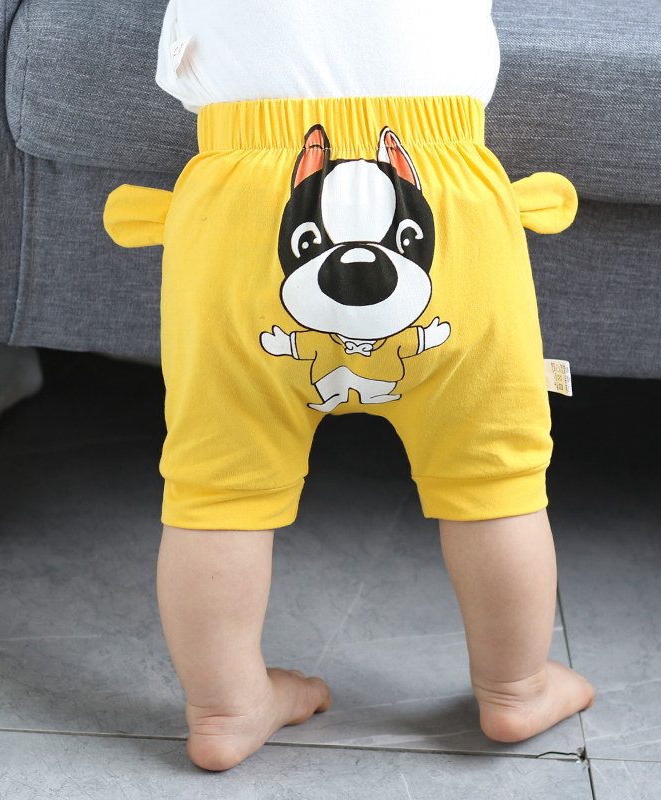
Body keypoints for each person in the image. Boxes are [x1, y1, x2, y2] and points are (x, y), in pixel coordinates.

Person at [108, 0, 595, 772]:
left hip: (242, 204)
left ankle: (225, 707)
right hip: (445, 195)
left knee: (218, 488)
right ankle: (518, 686)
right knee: (494, 479)